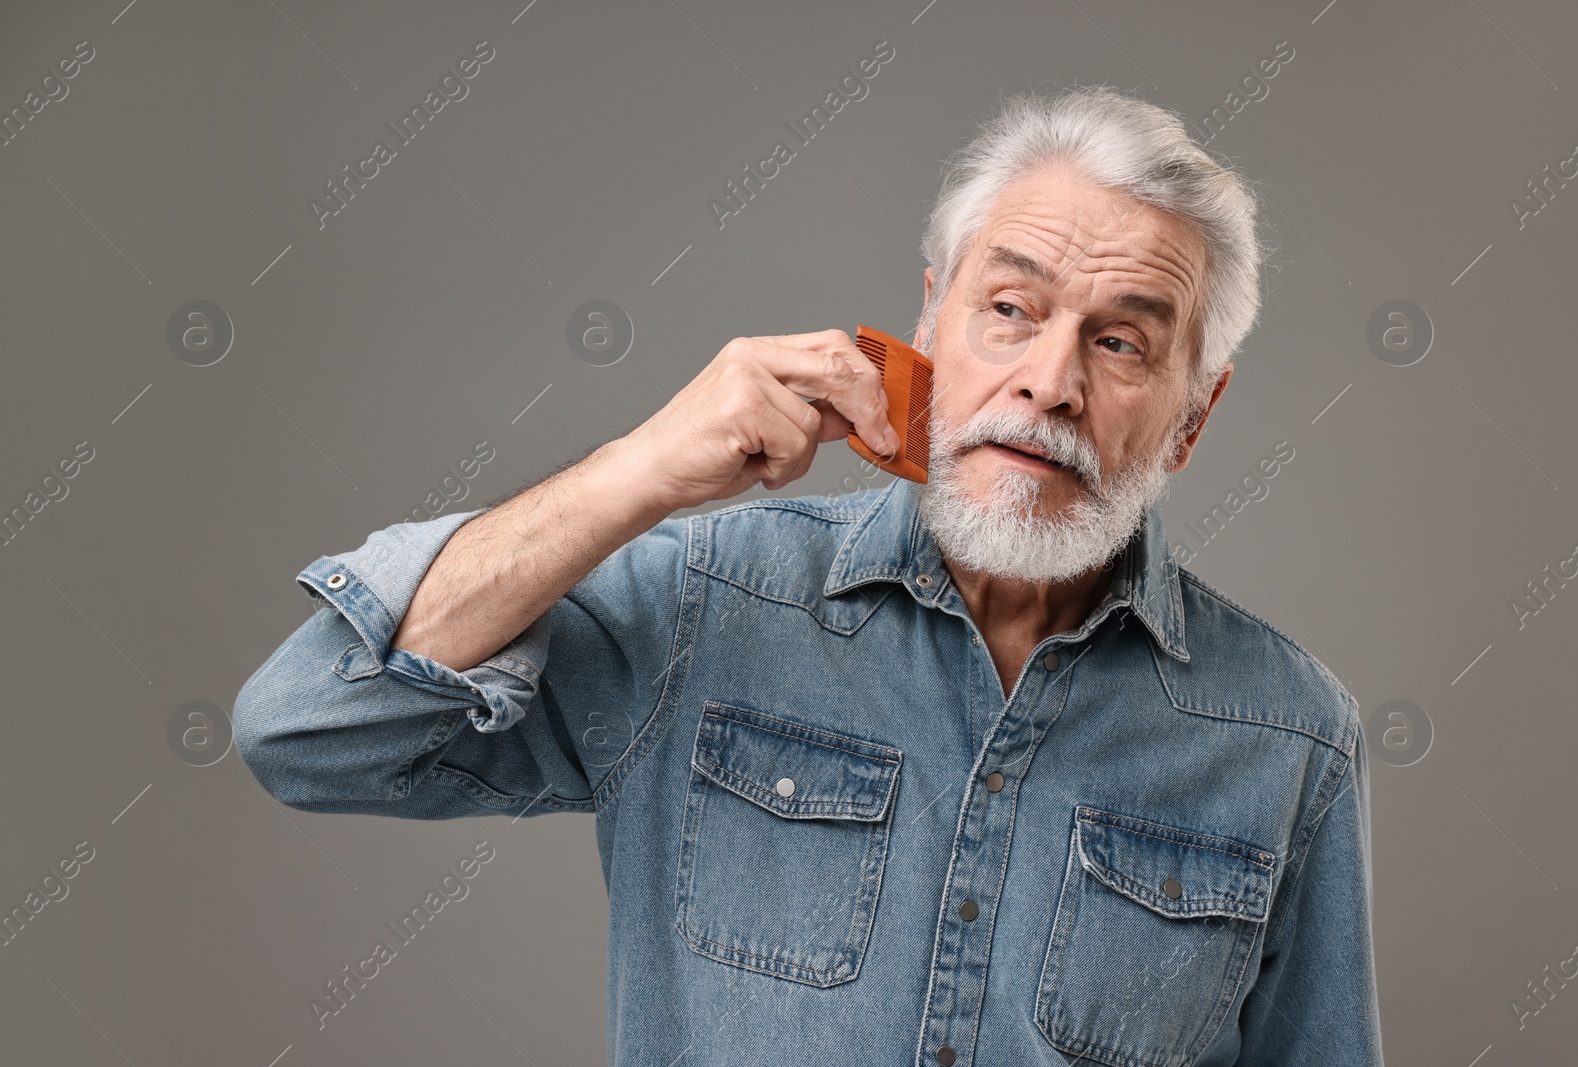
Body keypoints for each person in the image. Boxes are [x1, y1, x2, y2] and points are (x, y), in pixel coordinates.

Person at [235, 85, 1382, 1066]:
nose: (1048, 381)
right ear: (931, 314)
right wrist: (636, 473)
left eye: (1121, 341)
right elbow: (312, 726)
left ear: (1192, 418)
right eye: (1009, 308)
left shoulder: (1287, 733)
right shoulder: (701, 599)